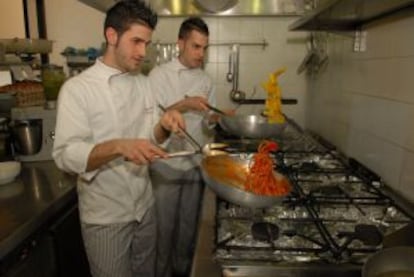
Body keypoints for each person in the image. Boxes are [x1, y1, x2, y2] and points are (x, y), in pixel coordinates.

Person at [52, 1, 185, 277]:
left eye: (146, 44)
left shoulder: (143, 83)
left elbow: (152, 137)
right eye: (136, 41)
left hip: (145, 207)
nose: (142, 52)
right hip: (106, 217)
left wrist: (164, 125)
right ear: (111, 36)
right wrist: (118, 146)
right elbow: (66, 155)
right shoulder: (78, 89)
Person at [148, 17, 216, 277]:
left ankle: (185, 271)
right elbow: (154, 120)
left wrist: (217, 119)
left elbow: (208, 124)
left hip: (194, 165)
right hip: (165, 165)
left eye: (204, 48)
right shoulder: (158, 75)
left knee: (189, 229)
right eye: (195, 47)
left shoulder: (206, 80)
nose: (201, 54)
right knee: (163, 230)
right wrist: (186, 104)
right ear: (180, 43)